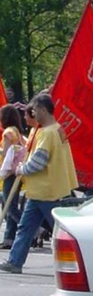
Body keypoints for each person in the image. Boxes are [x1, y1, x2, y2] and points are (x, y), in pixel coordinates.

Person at [0, 93, 78, 274]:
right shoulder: (55, 130)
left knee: (62, 231)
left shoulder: (48, 134)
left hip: (45, 189)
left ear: (43, 110)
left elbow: (39, 162)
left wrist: (21, 169)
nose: (32, 114)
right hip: (43, 189)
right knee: (26, 228)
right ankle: (15, 261)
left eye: (34, 110)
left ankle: (82, 259)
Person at [0, 105, 25, 249]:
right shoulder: (16, 131)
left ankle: (35, 230)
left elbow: (8, 154)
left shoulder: (8, 133)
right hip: (16, 172)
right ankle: (9, 237)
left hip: (9, 171)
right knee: (10, 203)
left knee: (9, 206)